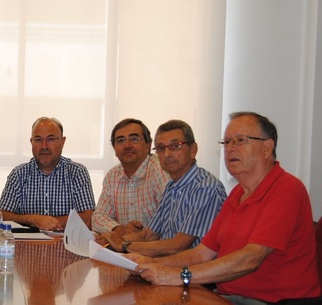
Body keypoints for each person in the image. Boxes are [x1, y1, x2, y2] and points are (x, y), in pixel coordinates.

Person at [129, 112, 320, 304]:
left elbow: (251, 259)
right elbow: (202, 253)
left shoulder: (287, 189)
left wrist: (180, 276)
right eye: (226, 142)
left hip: (273, 301)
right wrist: (150, 264)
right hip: (228, 296)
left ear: (267, 147)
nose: (230, 149)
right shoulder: (238, 192)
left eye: (240, 140)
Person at [99, 120, 226, 257]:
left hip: (193, 274)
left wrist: (124, 245)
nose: (166, 154)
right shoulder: (173, 186)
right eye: (160, 148)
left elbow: (178, 246)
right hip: (166, 267)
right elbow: (148, 235)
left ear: (193, 150)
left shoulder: (205, 187)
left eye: (175, 146)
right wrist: (108, 240)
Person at [0, 117, 95, 230]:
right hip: (28, 244)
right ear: (31, 142)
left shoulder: (77, 173)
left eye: (50, 139)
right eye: (38, 140)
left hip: (66, 244)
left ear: (62, 142)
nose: (44, 146)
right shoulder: (19, 174)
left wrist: (48, 223)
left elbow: (88, 219)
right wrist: (33, 219)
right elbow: (2, 216)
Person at [92, 118, 171, 236]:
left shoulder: (160, 170)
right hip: (124, 249)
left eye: (134, 139)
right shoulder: (112, 176)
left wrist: (137, 237)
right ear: (114, 149)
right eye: (120, 141)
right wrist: (120, 230)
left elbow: (170, 220)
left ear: (148, 145)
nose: (127, 145)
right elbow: (98, 217)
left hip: (156, 250)